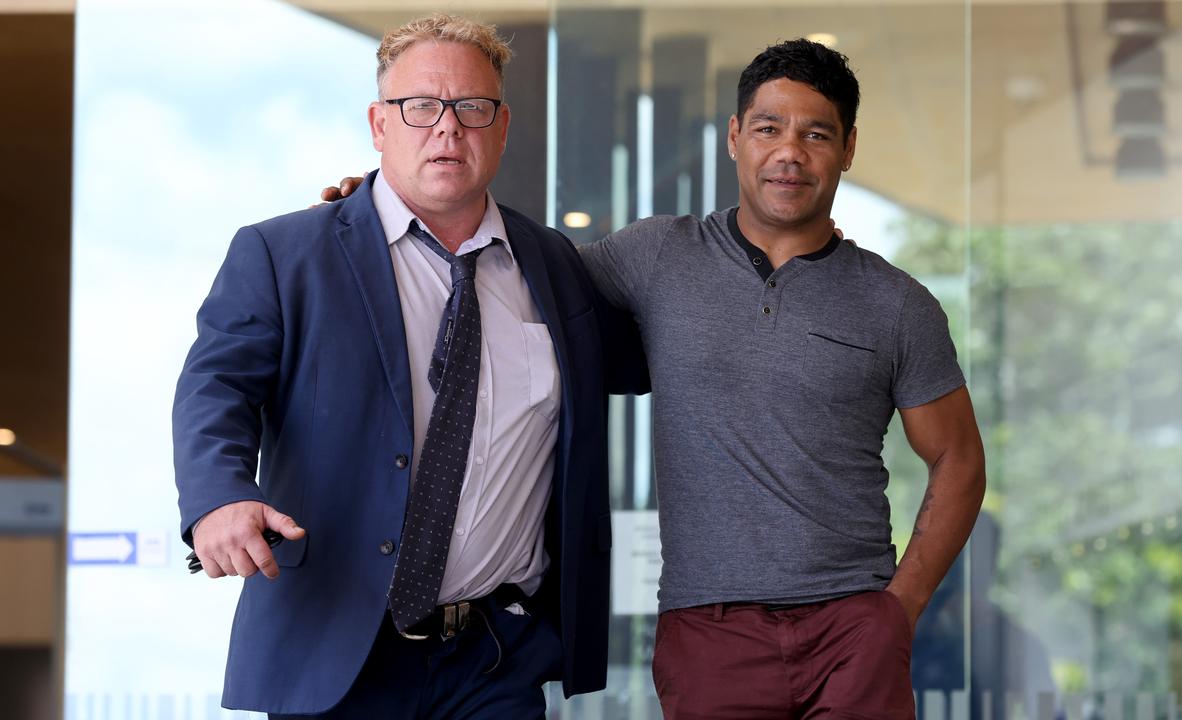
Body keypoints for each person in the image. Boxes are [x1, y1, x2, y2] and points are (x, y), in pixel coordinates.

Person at [326, 38, 985, 720]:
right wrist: (381, 209)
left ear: (848, 148)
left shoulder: (896, 303)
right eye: (767, 129)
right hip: (708, 629)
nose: (789, 152)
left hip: (854, 624)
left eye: (816, 134)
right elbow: (507, 277)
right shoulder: (657, 254)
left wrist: (897, 609)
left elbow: (958, 459)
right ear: (735, 138)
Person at [173, 13, 643, 719]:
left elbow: (658, 356)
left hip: (496, 659)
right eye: (420, 106)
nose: (446, 128)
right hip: (338, 648)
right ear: (379, 122)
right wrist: (217, 495)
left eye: (471, 108)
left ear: (503, 126)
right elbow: (218, 385)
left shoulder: (556, 268)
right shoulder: (288, 254)